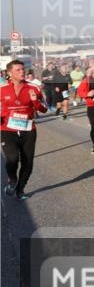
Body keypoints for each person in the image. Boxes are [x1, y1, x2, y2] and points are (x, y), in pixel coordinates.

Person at [1, 60, 48, 200]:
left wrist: (35, 101)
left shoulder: (34, 88)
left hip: (28, 130)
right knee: (12, 159)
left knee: (28, 162)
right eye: (18, 70)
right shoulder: (2, 89)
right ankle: (12, 180)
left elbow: (44, 109)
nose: (22, 72)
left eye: (23, 69)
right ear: (9, 73)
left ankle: (20, 189)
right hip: (7, 129)